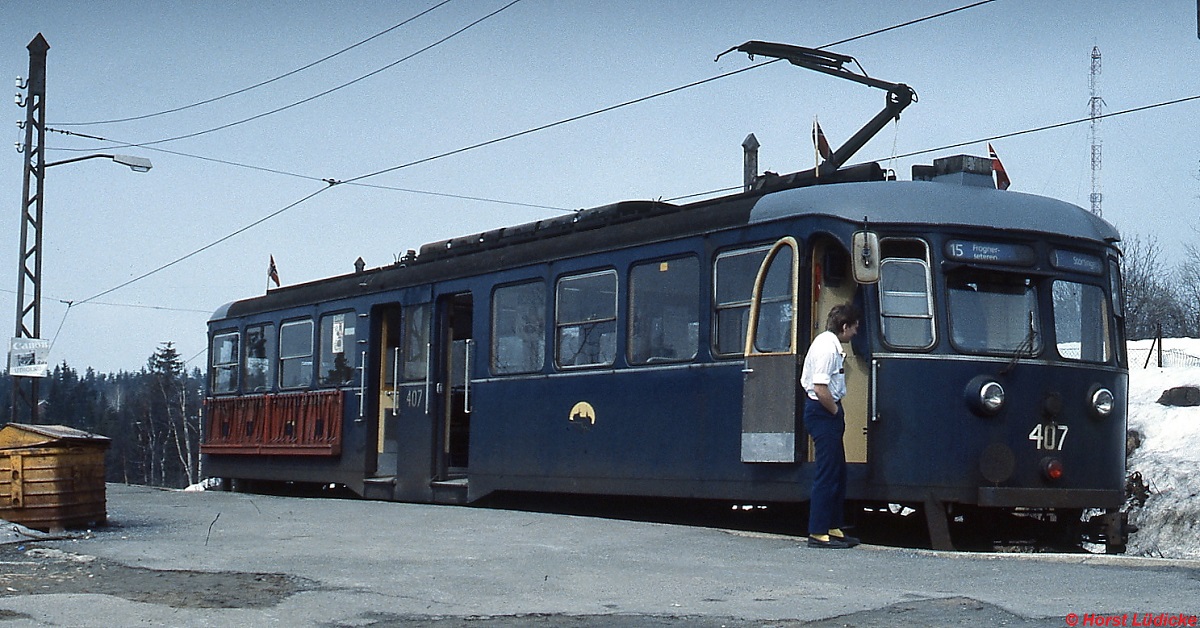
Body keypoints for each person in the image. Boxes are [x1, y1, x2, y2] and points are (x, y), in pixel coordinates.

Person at [800, 303, 862, 549]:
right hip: (823, 412)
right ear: (844, 327)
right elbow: (820, 387)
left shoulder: (828, 344)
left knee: (838, 471)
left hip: (826, 411)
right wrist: (835, 412)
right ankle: (817, 531)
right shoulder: (827, 349)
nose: (856, 333)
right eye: (854, 328)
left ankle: (833, 527)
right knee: (827, 473)